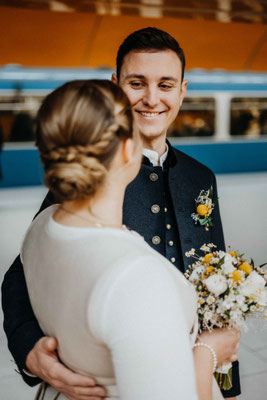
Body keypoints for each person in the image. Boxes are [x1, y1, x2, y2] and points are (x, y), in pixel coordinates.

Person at [1, 28, 241, 399]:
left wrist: (227, 385)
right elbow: (22, 274)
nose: (151, 98)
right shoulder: (87, 176)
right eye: (136, 83)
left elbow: (217, 282)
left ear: (182, 91)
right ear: (115, 86)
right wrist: (31, 351)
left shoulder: (200, 178)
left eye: (165, 85)